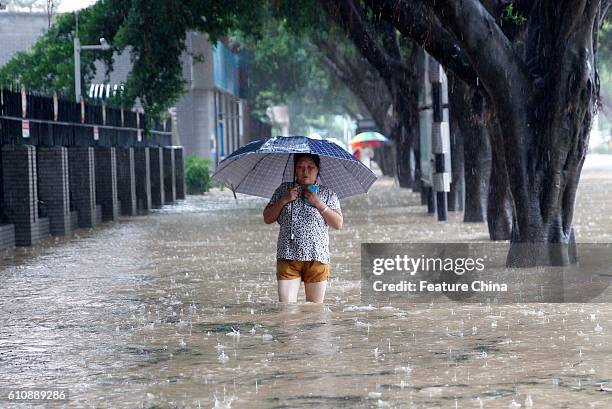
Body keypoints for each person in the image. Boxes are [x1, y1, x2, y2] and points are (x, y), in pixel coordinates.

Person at [263, 153, 343, 303]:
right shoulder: (283, 190)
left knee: (314, 312)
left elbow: (338, 224)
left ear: (317, 169)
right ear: (295, 169)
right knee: (286, 311)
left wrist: (319, 203)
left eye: (310, 167)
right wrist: (285, 199)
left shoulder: (327, 194)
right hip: (287, 255)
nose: (305, 172)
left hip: (316, 257)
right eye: (300, 167)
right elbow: (267, 218)